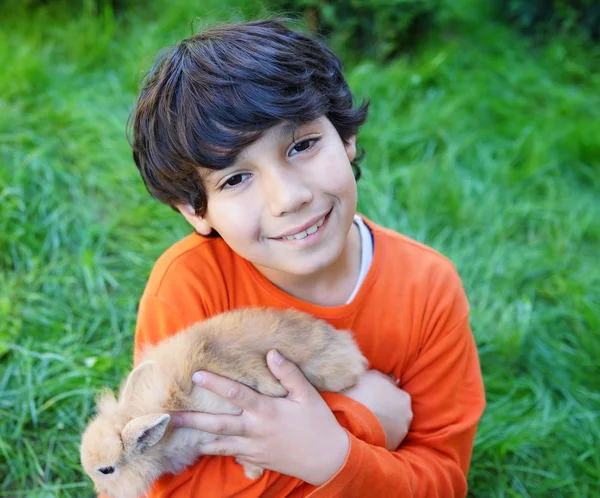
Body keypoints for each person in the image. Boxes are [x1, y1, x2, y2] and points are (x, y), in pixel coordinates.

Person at [126, 18, 485, 497]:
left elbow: (441, 480)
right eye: (235, 179)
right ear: (196, 211)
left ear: (347, 137)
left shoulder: (428, 288)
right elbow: (161, 482)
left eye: (302, 145)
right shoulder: (188, 286)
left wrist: (330, 455)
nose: (288, 197)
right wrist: (353, 424)